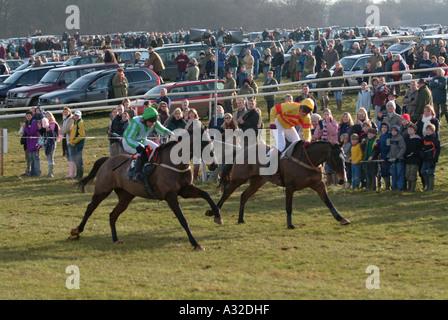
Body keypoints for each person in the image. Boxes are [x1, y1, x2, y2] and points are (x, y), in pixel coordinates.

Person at [122, 107, 174, 184]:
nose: (152, 125)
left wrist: (174, 135)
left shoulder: (153, 122)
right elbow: (128, 138)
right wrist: (137, 146)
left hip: (142, 140)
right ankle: (136, 174)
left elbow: (163, 130)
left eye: (154, 123)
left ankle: (154, 170)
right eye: (151, 123)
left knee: (157, 149)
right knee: (143, 150)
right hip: (128, 142)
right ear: (145, 120)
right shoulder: (136, 122)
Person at [38, 111, 60, 178]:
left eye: (48, 116)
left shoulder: (54, 124)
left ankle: (51, 173)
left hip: (52, 142)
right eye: (46, 116)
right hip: (46, 142)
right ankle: (49, 172)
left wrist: (49, 130)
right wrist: (40, 128)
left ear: (51, 116)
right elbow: (42, 133)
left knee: (51, 157)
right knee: (48, 156)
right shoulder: (44, 123)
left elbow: (55, 134)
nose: (47, 117)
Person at [420, 123, 440, 192]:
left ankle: (430, 188)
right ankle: (427, 185)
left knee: (430, 173)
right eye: (427, 130)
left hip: (431, 159)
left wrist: (434, 160)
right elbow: (423, 147)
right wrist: (422, 152)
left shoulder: (435, 140)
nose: (427, 132)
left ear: (433, 131)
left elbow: (436, 151)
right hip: (425, 159)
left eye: (429, 130)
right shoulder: (425, 139)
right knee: (422, 171)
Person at [185, 108, 203, 180]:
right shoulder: (187, 122)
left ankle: (195, 176)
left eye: (193, 113)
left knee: (196, 160)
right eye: (190, 113)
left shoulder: (197, 122)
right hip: (188, 143)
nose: (191, 114)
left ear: (195, 114)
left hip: (196, 143)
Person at [404, 123, 422, 192]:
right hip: (408, 159)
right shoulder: (406, 138)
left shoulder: (418, 139)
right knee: (407, 174)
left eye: (411, 130)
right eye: (408, 129)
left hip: (415, 159)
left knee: (412, 174)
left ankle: (412, 188)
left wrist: (414, 154)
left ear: (415, 130)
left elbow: (419, 149)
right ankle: (409, 187)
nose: (409, 131)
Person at [69, 110, 86, 180]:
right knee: (76, 158)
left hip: (79, 143)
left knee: (79, 159)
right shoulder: (76, 122)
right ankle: (78, 174)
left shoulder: (80, 123)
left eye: (77, 116)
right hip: (75, 143)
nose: (76, 117)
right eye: (75, 115)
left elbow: (81, 135)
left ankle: (80, 175)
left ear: (80, 116)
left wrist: (74, 141)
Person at [388, 125, 406, 191]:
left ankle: (400, 187)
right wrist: (388, 156)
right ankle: (394, 187)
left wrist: (398, 156)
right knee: (393, 174)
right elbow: (391, 149)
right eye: (392, 131)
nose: (393, 132)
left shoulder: (400, 138)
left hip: (399, 160)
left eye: (395, 131)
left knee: (399, 174)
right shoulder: (391, 138)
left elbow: (403, 148)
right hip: (392, 160)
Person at [378, 123, 392, 190]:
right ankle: (386, 185)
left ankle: (388, 186)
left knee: (387, 171)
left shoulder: (389, 136)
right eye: (382, 127)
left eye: (385, 127)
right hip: (382, 156)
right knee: (383, 171)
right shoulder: (381, 136)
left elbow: (388, 147)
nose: (383, 128)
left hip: (387, 156)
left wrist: (381, 147)